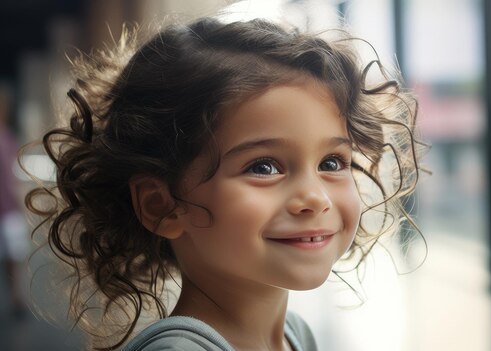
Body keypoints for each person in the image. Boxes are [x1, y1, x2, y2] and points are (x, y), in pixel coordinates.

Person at [24, 16, 421, 350]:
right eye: (264, 167)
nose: (314, 198)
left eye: (332, 162)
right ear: (161, 205)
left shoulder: (294, 335)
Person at [0, 85, 30, 319]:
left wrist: (21, 202)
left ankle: (17, 297)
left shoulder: (8, 137)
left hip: (9, 208)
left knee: (15, 256)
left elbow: (15, 173)